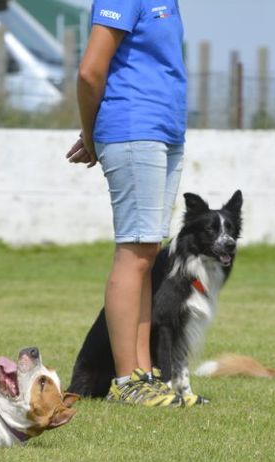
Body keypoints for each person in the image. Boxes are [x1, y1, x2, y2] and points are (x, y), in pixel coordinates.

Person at [66, 0, 190, 408]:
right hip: (133, 128)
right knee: (134, 251)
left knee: (148, 252)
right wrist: (91, 133)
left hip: (164, 132)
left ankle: (144, 376)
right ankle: (126, 381)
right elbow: (90, 71)